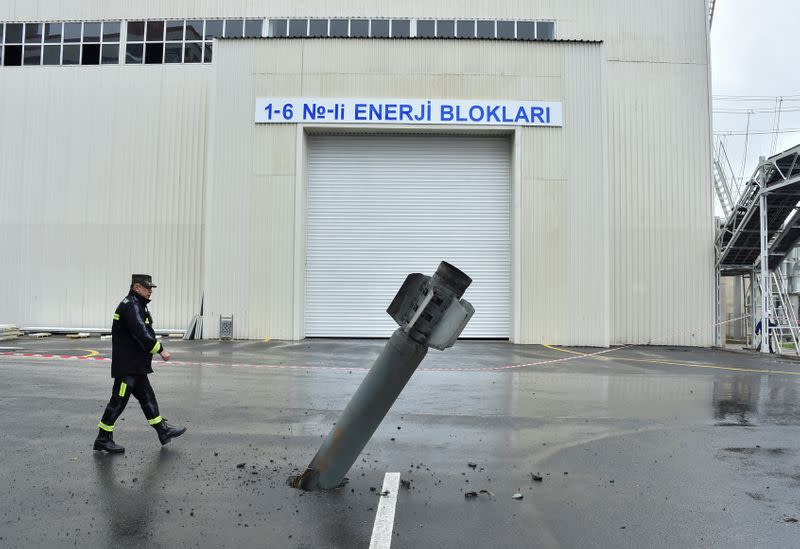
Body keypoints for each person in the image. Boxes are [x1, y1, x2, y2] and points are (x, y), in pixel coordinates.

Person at [94, 274, 186, 453]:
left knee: (147, 397)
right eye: (147, 287)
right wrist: (161, 350)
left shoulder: (137, 305)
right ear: (136, 287)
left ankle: (162, 431)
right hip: (127, 366)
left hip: (136, 366)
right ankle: (102, 438)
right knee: (118, 401)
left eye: (151, 288)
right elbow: (142, 333)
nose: (150, 291)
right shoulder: (131, 306)